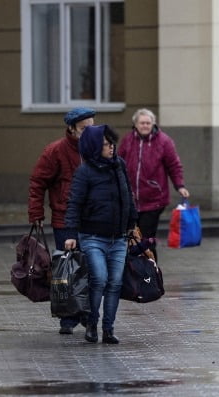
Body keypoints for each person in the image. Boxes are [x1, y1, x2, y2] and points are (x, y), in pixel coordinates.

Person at [64, 125, 137, 344]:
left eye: (111, 142)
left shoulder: (119, 166)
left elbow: (128, 196)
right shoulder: (85, 172)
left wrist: (133, 223)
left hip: (119, 236)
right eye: (105, 144)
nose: (111, 147)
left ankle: (108, 329)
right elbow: (74, 203)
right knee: (100, 279)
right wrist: (70, 234)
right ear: (94, 147)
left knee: (114, 283)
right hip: (93, 236)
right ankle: (92, 324)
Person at [28, 107, 96, 335]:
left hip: (93, 220)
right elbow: (38, 182)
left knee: (91, 269)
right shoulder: (55, 151)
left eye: (91, 126)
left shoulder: (98, 149)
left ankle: (88, 316)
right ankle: (68, 318)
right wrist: (36, 213)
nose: (89, 132)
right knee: (67, 271)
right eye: (84, 128)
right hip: (64, 219)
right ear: (72, 128)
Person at [117, 108, 189, 261]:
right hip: (131, 199)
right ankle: (135, 269)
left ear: (153, 124)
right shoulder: (128, 140)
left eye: (148, 123)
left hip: (154, 199)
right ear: (135, 124)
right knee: (132, 237)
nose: (145, 126)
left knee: (146, 238)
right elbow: (118, 164)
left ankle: (150, 271)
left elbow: (174, 165)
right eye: (142, 123)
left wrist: (180, 185)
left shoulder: (164, 141)